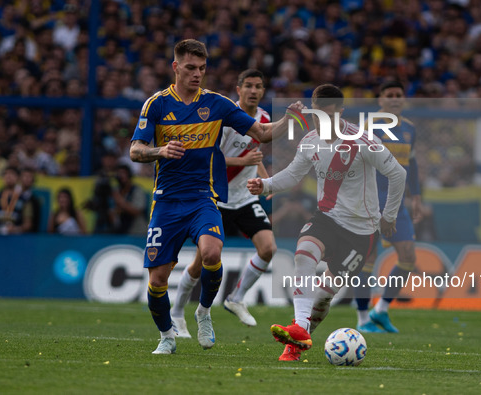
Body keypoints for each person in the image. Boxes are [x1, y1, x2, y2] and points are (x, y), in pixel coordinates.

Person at [129, 39, 297, 354]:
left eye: (202, 69)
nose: (197, 74)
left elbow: (261, 133)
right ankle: (167, 336)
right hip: (166, 200)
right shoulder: (156, 104)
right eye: (190, 68)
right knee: (157, 281)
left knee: (211, 253)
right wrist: (160, 150)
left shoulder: (217, 104)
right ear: (175, 67)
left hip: (202, 197)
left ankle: (204, 312)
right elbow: (135, 150)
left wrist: (291, 119)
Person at [247, 84, 406, 361]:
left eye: (328, 113)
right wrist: (265, 184)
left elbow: (398, 174)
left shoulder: (362, 141)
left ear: (340, 112)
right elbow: (294, 174)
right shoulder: (309, 141)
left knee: (322, 296)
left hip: (361, 232)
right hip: (327, 219)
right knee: (304, 254)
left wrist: (389, 217)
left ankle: (301, 333)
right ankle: (297, 333)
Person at [170, 69, 277, 338]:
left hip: (244, 198)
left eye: (259, 86)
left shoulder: (263, 118)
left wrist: (266, 182)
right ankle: (176, 312)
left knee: (268, 248)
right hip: (217, 198)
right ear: (238, 89)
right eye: (249, 86)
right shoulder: (226, 117)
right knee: (199, 264)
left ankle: (236, 298)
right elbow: (211, 156)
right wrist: (243, 162)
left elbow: (255, 155)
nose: (254, 91)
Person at [354, 80, 424, 334]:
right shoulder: (369, 126)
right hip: (371, 201)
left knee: (408, 257)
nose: (395, 99)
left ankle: (380, 310)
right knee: (367, 259)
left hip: (398, 202)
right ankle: (362, 319)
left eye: (398, 95)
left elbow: (412, 165)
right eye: (389, 95)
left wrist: (416, 197)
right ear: (380, 100)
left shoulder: (410, 129)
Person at [0, 166, 33, 235]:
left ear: (18, 178)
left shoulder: (24, 200)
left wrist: (16, 229)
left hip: (16, 238)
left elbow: (27, 225)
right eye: (6, 174)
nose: (8, 176)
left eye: (12, 174)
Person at [110, 164, 148, 235]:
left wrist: (120, 201)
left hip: (137, 232)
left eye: (124, 174)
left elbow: (136, 211)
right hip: (120, 232)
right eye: (119, 174)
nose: (121, 177)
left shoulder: (137, 190)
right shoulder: (115, 190)